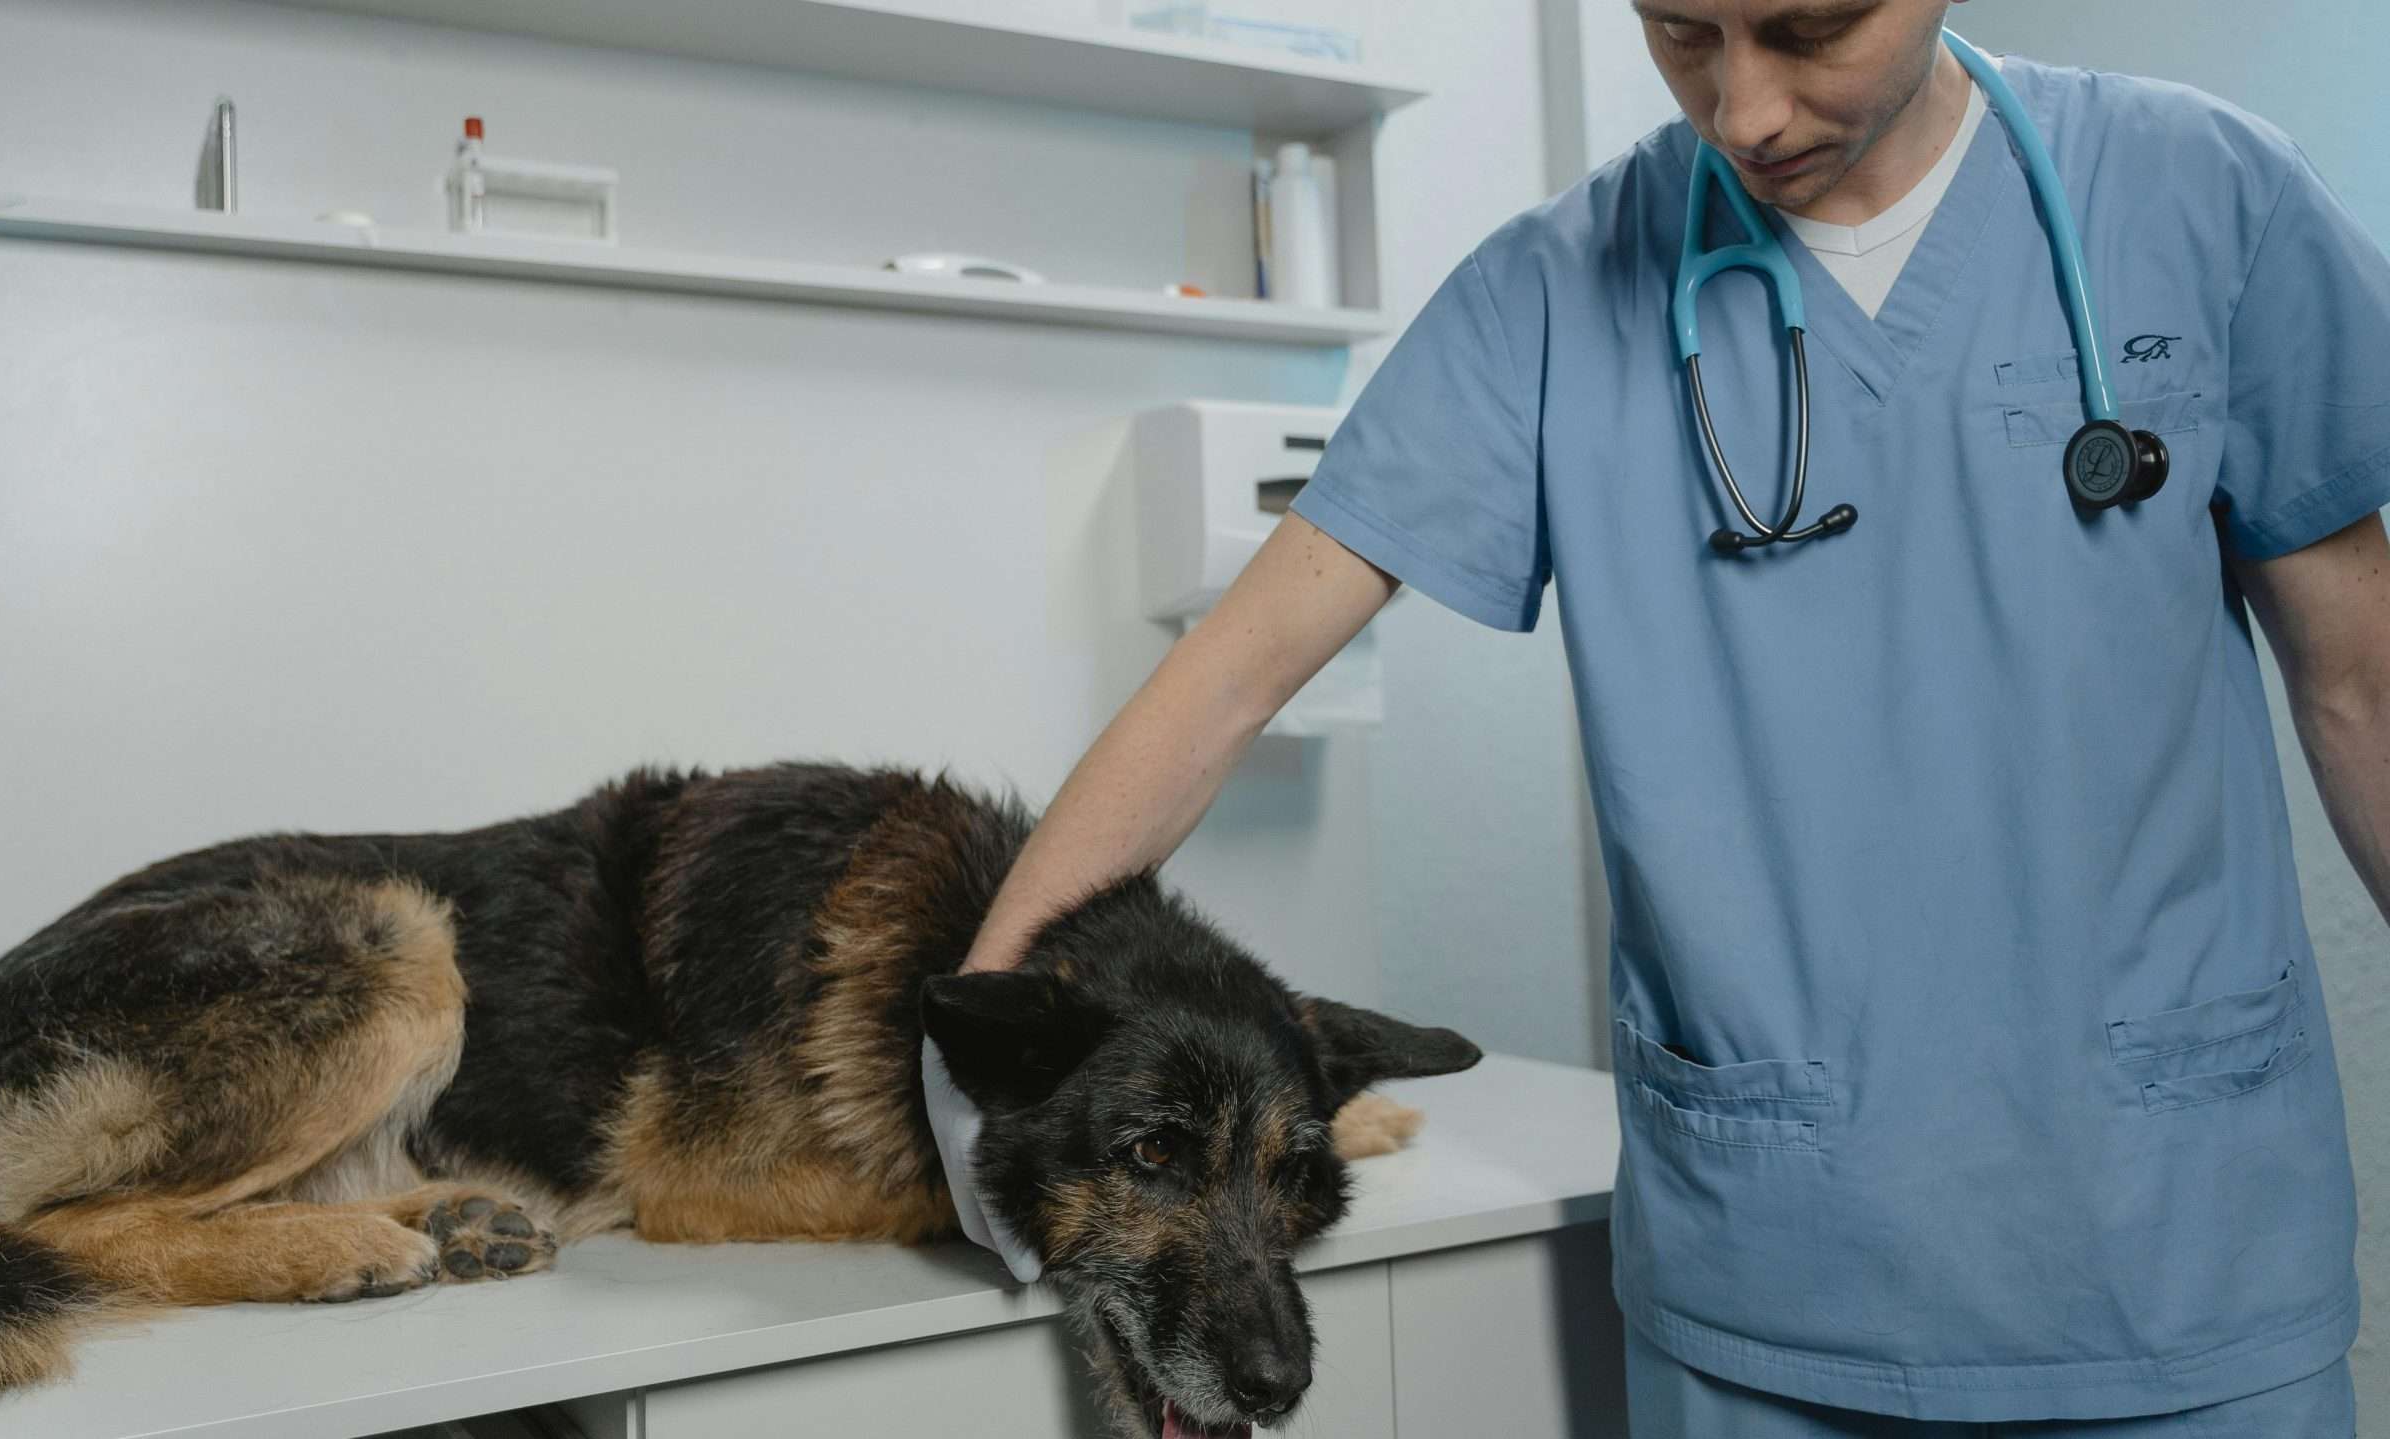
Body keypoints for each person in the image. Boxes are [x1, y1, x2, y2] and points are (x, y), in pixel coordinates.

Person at [927, 0, 2390, 1432]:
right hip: (1773, 1283)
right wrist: (976, 1038)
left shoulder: (2205, 199)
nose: (1742, 108)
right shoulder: (1554, 295)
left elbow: (2361, 684)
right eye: (1682, 32)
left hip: (2181, 1266)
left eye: (1809, 31)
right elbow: (1229, 676)